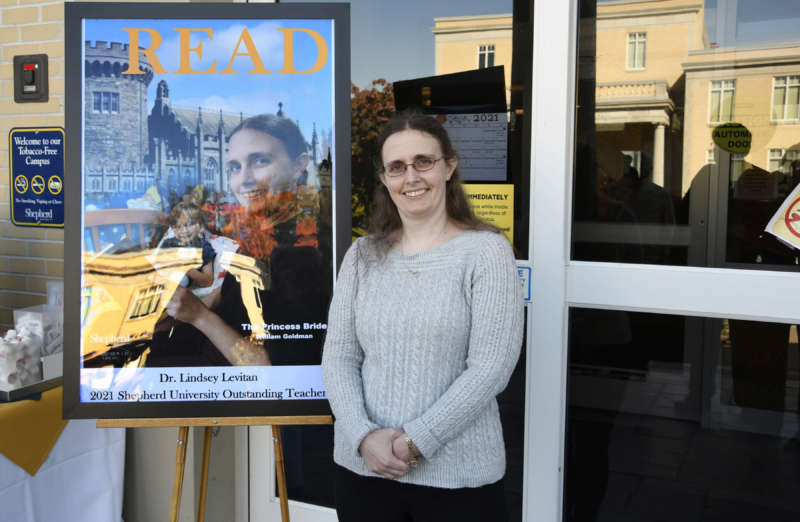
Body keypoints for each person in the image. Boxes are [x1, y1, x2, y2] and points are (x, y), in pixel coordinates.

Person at [322, 112, 524, 521]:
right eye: (397, 167)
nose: (411, 177)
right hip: (363, 470)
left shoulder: (486, 252)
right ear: (384, 179)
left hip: (458, 480)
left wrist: (415, 441)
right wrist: (362, 436)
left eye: (423, 162)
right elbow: (340, 357)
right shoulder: (361, 256)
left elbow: (491, 368)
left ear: (449, 166)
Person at [148, 114, 329, 367]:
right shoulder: (260, 234)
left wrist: (198, 316)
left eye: (261, 161)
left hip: (231, 380)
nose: (244, 179)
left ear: (299, 165)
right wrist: (175, 310)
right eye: (235, 167)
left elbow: (274, 370)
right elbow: (230, 300)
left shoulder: (303, 254)